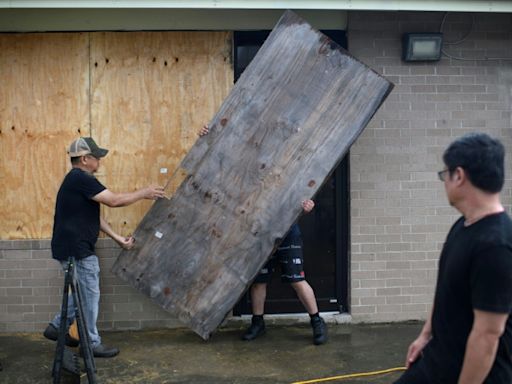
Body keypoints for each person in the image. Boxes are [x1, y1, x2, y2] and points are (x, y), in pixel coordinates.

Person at [394, 133, 512, 383]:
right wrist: (426, 334)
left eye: (445, 174)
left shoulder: (495, 247)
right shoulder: (464, 224)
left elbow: (488, 334)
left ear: (459, 176)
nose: (444, 181)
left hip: (474, 373)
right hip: (438, 360)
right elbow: (446, 287)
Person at [197, 125, 327, 345]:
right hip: (256, 230)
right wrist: (208, 138)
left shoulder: (292, 167)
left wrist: (308, 206)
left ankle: (317, 321)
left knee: (297, 279)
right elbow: (222, 159)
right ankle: (258, 323)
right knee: (258, 281)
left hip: (287, 230)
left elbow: (305, 196)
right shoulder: (248, 164)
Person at [43, 137, 165, 358]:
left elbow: (94, 218)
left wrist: (117, 238)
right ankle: (90, 343)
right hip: (77, 249)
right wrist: (144, 193)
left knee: (83, 292)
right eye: (96, 157)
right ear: (84, 159)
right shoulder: (81, 178)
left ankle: (57, 326)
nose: (99, 160)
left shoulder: (77, 181)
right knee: (90, 294)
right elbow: (114, 201)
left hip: (72, 246)